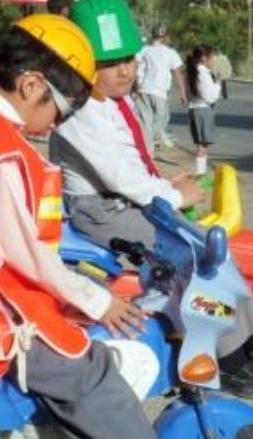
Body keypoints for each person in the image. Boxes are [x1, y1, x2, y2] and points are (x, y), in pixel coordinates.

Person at [0, 14, 161, 439]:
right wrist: (99, 301)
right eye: (60, 110)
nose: (58, 124)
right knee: (94, 375)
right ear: (30, 86)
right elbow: (28, 255)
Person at [51, 0, 204, 252]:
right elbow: (119, 175)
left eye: (128, 59)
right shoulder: (83, 110)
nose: (124, 71)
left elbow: (127, 157)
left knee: (193, 233)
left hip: (121, 198)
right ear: (83, 63)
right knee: (188, 245)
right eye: (109, 63)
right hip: (102, 211)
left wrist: (161, 184)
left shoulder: (115, 99)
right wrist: (174, 197)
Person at [137, 25, 187, 150]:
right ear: (165, 37)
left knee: (147, 123)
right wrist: (183, 93)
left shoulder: (144, 50)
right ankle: (152, 142)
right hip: (159, 92)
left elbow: (135, 67)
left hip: (143, 90)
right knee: (161, 120)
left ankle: (148, 149)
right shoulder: (171, 53)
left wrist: (135, 86)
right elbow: (178, 74)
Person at [186, 45, 221, 176]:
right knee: (203, 145)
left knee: (201, 144)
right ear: (204, 58)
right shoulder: (204, 73)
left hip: (194, 109)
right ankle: (200, 174)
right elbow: (210, 96)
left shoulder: (192, 71)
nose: (213, 61)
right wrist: (217, 84)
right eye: (212, 57)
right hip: (203, 110)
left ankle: (201, 173)